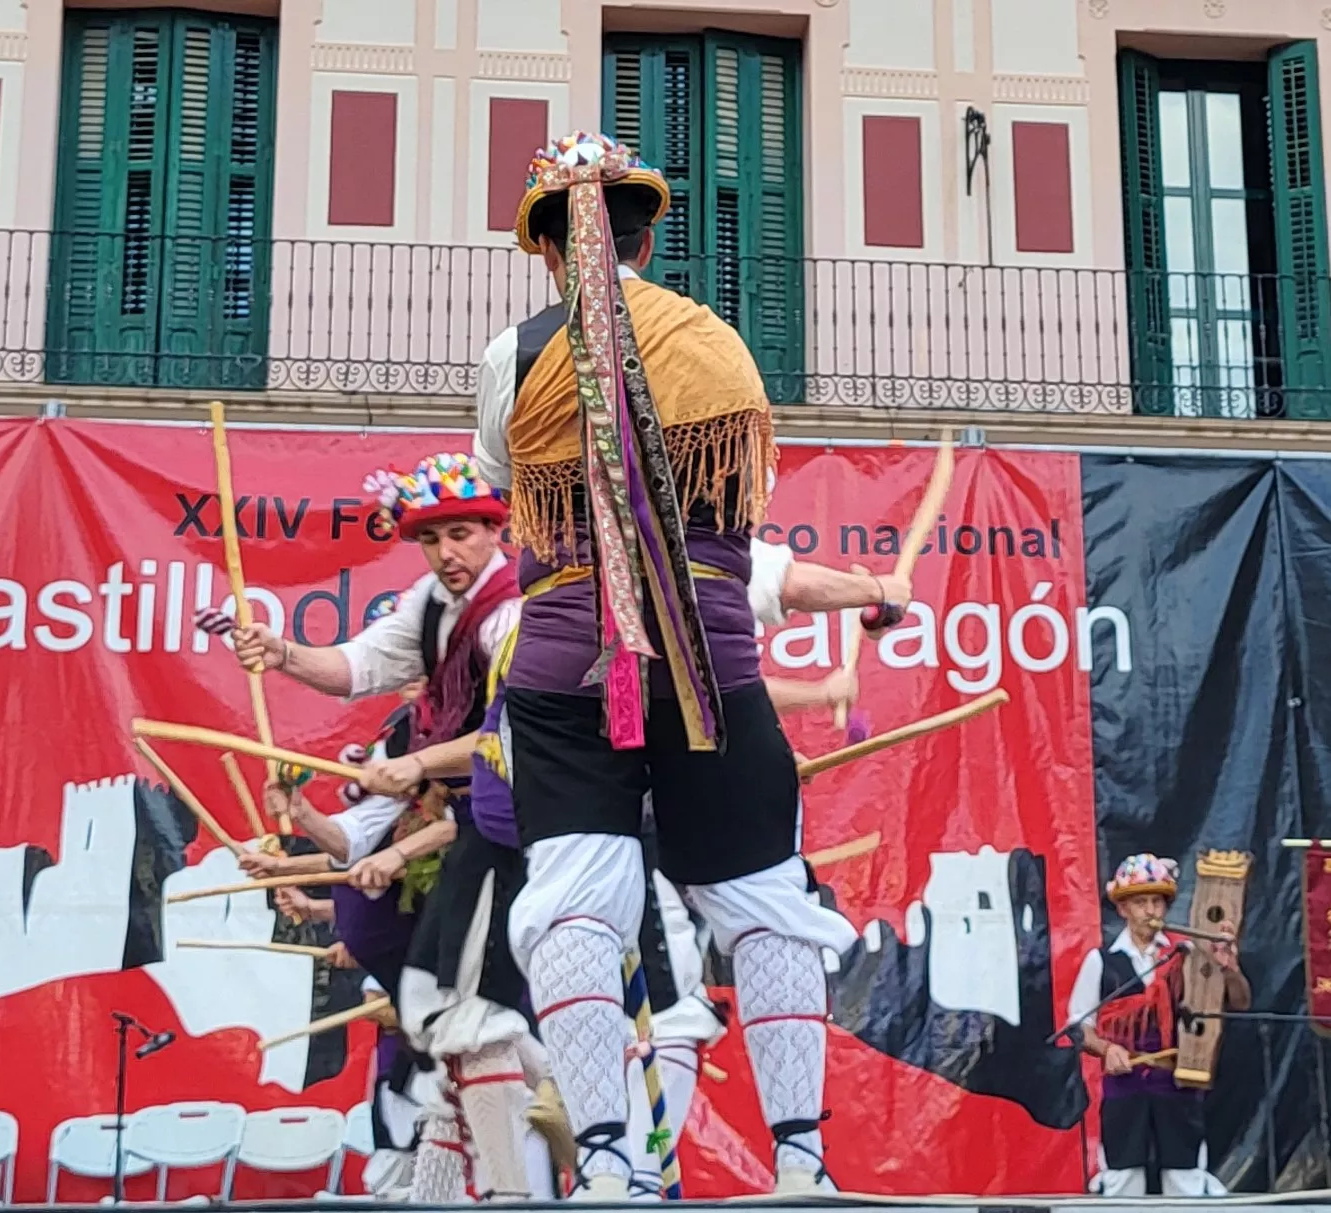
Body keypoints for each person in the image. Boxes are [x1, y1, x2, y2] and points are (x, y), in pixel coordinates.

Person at [466, 130, 860, 1198]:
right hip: (711, 665)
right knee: (764, 899)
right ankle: (801, 1160)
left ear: (549, 249)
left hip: (563, 668)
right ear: (647, 230)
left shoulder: (515, 352)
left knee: (574, 904)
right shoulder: (718, 344)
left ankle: (601, 1159)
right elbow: (745, 506)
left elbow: (505, 480)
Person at [204, 453, 541, 1201]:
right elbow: (353, 665)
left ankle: (521, 1183)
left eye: (461, 534)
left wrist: (422, 768)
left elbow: (513, 735)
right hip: (474, 833)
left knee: (471, 1020)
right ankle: (439, 1191)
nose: (447, 553)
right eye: (432, 538)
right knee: (437, 1023)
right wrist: (281, 650)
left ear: (496, 531)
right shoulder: (426, 609)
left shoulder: (517, 612)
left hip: (519, 826)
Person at [1067, 853, 1248, 1197]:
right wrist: (1108, 1049)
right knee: (1123, 1182)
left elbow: (1239, 1002)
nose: (1150, 910)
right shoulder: (1101, 962)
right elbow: (1078, 1027)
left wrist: (1228, 967)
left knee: (1185, 1182)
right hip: (1125, 1088)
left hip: (1177, 1085)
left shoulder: (1188, 955)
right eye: (1140, 902)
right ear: (1123, 909)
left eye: (1156, 902)